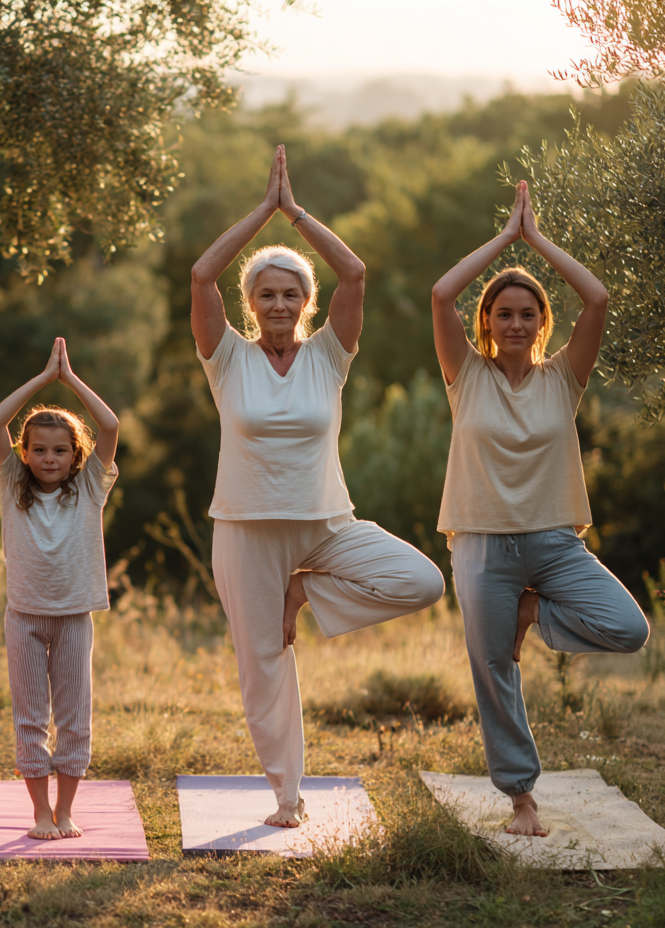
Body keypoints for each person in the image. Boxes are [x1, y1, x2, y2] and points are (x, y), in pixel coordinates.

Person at [190, 144, 446, 827]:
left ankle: (302, 593)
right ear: (251, 303)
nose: (279, 303)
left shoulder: (330, 355)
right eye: (266, 293)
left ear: (307, 302)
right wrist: (261, 213)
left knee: (421, 581)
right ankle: (287, 796)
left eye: (291, 293)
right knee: (263, 664)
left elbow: (355, 272)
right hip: (246, 529)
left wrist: (295, 213)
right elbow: (202, 273)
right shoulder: (226, 358)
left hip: (326, 522)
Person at [431, 180, 649, 837]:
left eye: (528, 313)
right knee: (494, 669)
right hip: (482, 545)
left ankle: (533, 612)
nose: (516, 324)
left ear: (542, 321)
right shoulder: (466, 375)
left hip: (555, 544)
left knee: (628, 628)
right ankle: (521, 797)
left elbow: (598, 298)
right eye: (504, 314)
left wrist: (538, 241)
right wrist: (505, 239)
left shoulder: (563, 378)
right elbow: (441, 294)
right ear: (487, 323)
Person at [0, 337, 119, 840]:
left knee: (75, 719)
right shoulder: (10, 485)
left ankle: (65, 812)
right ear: (24, 454)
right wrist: (43, 380)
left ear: (75, 454)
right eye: (39, 450)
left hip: (74, 616)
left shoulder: (89, 488)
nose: (48, 458)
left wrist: (71, 380)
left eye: (60, 450)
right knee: (30, 719)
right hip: (24, 616)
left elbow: (110, 426)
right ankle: (40, 813)